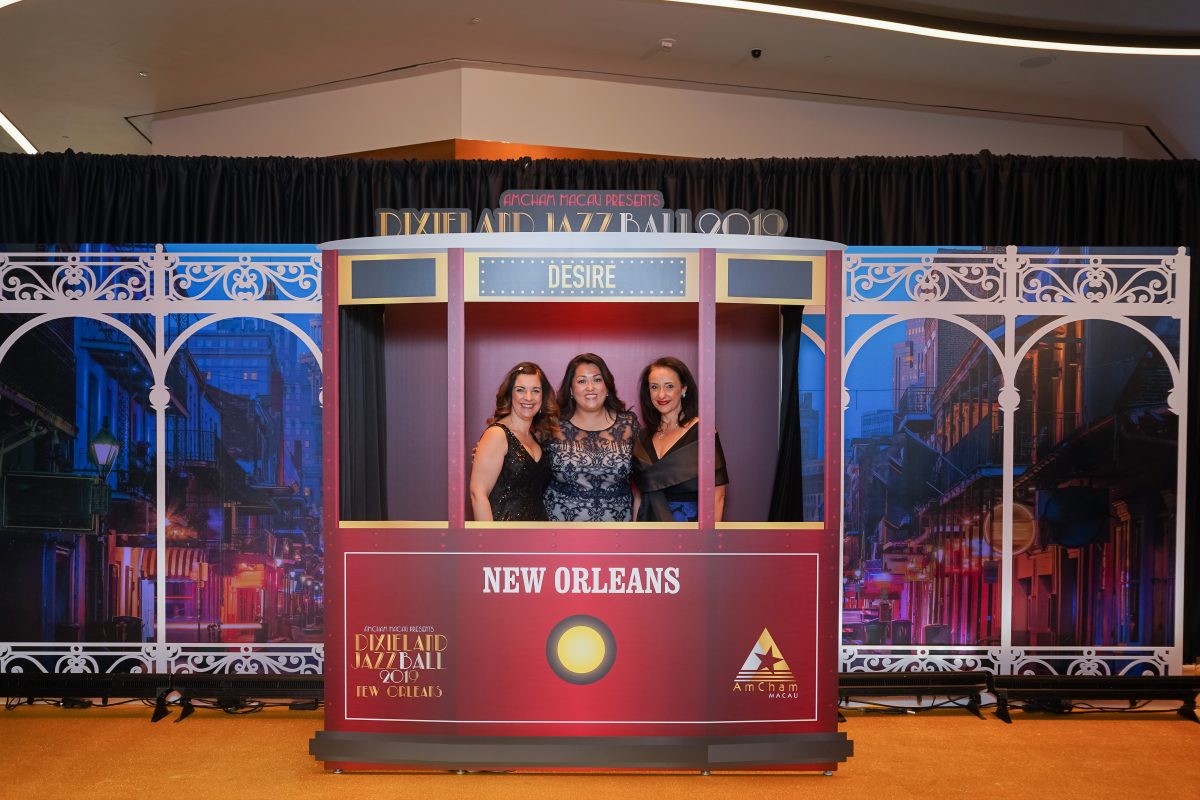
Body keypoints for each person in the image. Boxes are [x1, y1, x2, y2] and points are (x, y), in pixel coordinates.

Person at [543, 353, 639, 522]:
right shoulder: (553, 425)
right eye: (582, 381)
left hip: (617, 529)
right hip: (560, 528)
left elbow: (645, 480)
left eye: (597, 380)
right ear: (571, 389)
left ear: (606, 386)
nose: (590, 387)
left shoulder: (628, 424)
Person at [632, 356, 728, 522]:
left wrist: (708, 537)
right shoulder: (642, 437)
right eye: (654, 387)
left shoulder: (703, 432)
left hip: (688, 530)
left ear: (684, 388)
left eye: (669, 386)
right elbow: (640, 497)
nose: (661, 394)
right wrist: (635, 532)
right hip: (648, 529)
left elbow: (717, 496)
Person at [469, 362, 559, 521]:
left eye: (535, 391)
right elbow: (478, 494)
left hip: (538, 532)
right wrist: (487, 536)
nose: (528, 397)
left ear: (542, 397)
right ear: (510, 395)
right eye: (520, 390)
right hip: (504, 532)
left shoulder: (535, 437)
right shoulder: (497, 434)